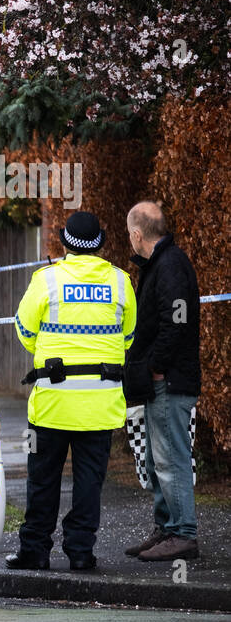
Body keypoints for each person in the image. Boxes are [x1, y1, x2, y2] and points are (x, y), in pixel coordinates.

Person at [6, 211, 137, 571]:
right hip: (100, 404)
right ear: (100, 244)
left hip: (52, 402)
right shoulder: (121, 282)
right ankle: (81, 552)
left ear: (64, 243)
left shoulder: (46, 280)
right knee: (89, 483)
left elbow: (23, 331)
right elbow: (127, 337)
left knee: (43, 479)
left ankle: (35, 550)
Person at [123, 201, 201, 561]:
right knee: (158, 460)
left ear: (138, 234)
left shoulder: (168, 266)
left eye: (129, 235)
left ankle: (183, 533)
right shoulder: (166, 263)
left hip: (169, 381)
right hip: (167, 379)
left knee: (171, 459)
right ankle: (167, 528)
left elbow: (177, 323)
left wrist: (155, 366)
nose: (130, 241)